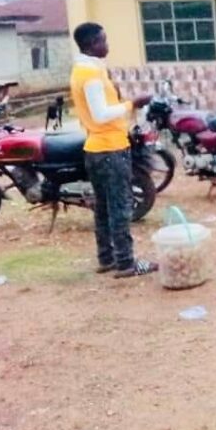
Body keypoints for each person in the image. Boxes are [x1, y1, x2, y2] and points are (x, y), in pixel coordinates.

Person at [70, 23, 157, 278]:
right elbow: (100, 114)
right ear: (91, 44)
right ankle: (126, 263)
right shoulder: (90, 75)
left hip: (96, 148)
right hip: (109, 148)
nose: (106, 45)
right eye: (103, 41)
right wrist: (132, 104)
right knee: (119, 206)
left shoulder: (84, 69)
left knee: (104, 207)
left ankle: (106, 258)